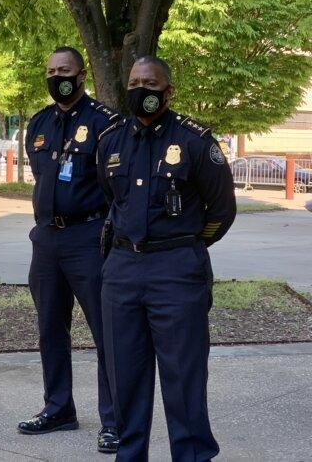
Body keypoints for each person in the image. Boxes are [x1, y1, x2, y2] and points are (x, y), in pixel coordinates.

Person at [97, 56, 236, 461]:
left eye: (151, 83)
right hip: (122, 269)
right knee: (125, 376)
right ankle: (130, 454)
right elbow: (113, 200)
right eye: (135, 81)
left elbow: (221, 211)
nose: (142, 89)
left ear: (168, 91)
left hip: (176, 270)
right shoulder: (111, 140)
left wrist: (184, 247)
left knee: (183, 377)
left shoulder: (194, 141)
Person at [17, 46, 121, 453]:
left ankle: (114, 421)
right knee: (49, 330)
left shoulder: (105, 123)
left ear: (81, 77)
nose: (57, 76)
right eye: (51, 70)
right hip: (46, 239)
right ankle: (58, 408)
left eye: (65, 70)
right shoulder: (39, 123)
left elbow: (117, 186)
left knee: (105, 331)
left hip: (89, 238)